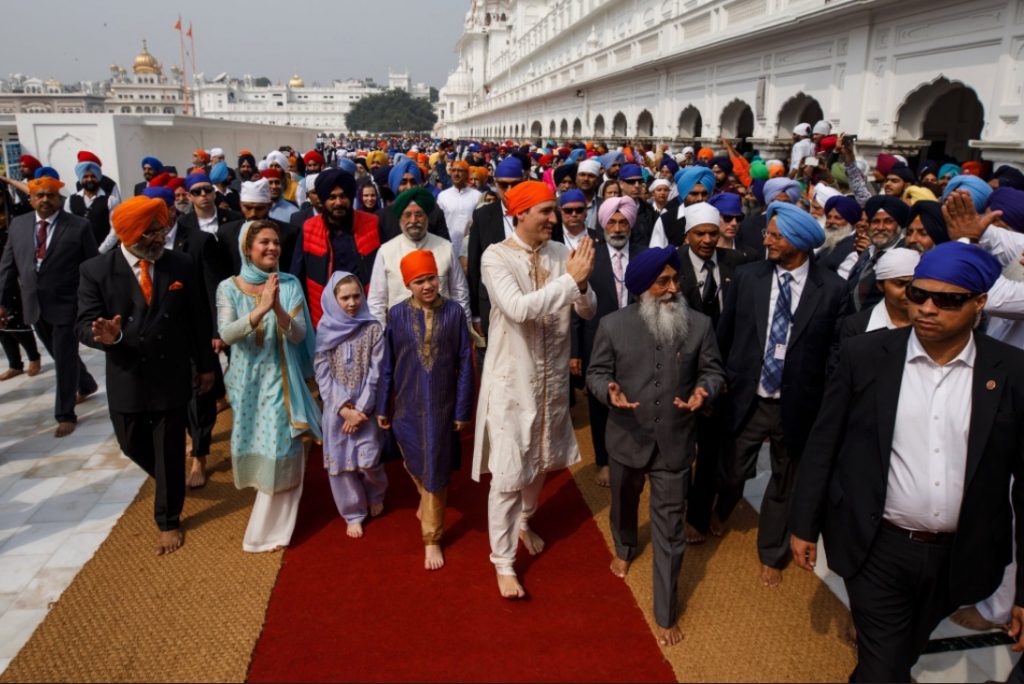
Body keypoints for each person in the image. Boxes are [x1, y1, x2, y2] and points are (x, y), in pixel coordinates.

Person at [790, 241, 1024, 682]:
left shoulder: (1012, 372)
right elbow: (825, 441)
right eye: (919, 295)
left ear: (979, 303)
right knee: (885, 667)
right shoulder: (867, 355)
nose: (928, 308)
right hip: (876, 544)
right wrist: (804, 523)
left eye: (947, 300)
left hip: (964, 556)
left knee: (903, 652)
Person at [586, 245, 724, 646]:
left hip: (676, 441)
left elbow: (714, 370)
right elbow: (596, 371)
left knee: (669, 530)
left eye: (675, 280)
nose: (672, 288)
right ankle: (625, 546)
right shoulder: (613, 325)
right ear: (643, 286)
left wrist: (704, 390)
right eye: (663, 282)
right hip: (628, 436)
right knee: (624, 503)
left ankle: (665, 611)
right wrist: (606, 390)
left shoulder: (699, 324)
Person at [472, 180, 596, 599]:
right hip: (512, 380)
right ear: (519, 214)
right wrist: (569, 282)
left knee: (541, 458)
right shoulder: (496, 256)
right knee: (508, 471)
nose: (553, 217)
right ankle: (503, 562)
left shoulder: (562, 253)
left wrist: (580, 282)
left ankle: (525, 520)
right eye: (545, 210)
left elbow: (588, 307)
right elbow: (518, 310)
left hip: (552, 379)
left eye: (554, 210)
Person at [716, 202, 848, 587]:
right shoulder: (748, 276)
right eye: (768, 234)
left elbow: (836, 353)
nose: (767, 241)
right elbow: (726, 332)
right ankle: (720, 508)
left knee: (785, 483)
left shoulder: (833, 289)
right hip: (747, 395)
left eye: (776, 236)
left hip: (798, 405)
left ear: (800, 243)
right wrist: (717, 378)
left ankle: (771, 553)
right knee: (733, 467)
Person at [77, 195, 216, 555]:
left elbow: (199, 318)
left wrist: (205, 366)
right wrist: (103, 335)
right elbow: (82, 323)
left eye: (161, 229)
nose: (159, 238)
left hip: (171, 372)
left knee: (170, 446)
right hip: (126, 373)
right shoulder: (96, 271)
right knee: (130, 443)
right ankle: (171, 482)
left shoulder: (180, 265)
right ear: (128, 234)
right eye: (151, 233)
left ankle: (168, 520)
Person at [217, 219, 322, 552]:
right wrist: (260, 309)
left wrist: (276, 308)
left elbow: (299, 334)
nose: (272, 248)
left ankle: (267, 533)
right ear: (247, 248)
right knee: (259, 446)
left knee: (282, 446)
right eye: (264, 242)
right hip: (247, 383)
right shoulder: (228, 287)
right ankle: (269, 523)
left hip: (281, 378)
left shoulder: (287, 283)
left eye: (276, 242)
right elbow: (227, 334)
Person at [377, 250, 473, 571]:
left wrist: (462, 410)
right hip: (407, 405)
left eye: (431, 278)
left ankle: (431, 536)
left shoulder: (455, 313)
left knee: (435, 466)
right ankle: (426, 498)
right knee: (414, 458)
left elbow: (464, 363)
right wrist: (383, 404)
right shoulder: (396, 315)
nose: (428, 286)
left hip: (442, 408)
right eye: (419, 281)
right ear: (408, 285)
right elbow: (387, 363)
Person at [0, 174, 99, 437]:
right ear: (30, 198)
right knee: (59, 353)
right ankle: (86, 383)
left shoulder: (78, 226)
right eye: (39, 195)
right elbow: (8, 267)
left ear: (59, 198)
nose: (45, 199)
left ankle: (65, 414)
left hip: (69, 304)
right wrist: (1, 302)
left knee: (64, 357)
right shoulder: (18, 225)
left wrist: (95, 302)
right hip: (33, 304)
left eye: (50, 195)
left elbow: (93, 266)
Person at [675, 201, 746, 542]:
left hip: (723, 377)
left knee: (713, 451)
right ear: (686, 234)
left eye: (712, 234)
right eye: (700, 233)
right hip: (681, 375)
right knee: (679, 449)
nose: (707, 240)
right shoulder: (671, 265)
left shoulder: (739, 264)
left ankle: (699, 516)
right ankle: (674, 508)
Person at [570, 196, 643, 488]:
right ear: (602, 224)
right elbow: (575, 306)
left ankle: (638, 454)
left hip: (638, 340)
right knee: (601, 404)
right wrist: (575, 352)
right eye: (611, 222)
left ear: (630, 223)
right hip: (597, 341)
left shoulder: (644, 254)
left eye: (622, 221)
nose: (616, 227)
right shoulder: (590, 257)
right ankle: (603, 460)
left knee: (637, 397)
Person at [314, 270, 387, 539]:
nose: (352, 302)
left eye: (357, 296)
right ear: (334, 300)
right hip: (337, 410)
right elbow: (322, 372)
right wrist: (343, 408)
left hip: (365, 410)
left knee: (368, 459)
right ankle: (353, 511)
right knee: (342, 465)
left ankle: (376, 491)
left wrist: (360, 410)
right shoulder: (325, 328)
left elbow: (376, 372)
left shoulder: (373, 328)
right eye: (345, 298)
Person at [367, 187, 470, 326]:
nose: (414, 220)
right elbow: (376, 302)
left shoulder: (445, 247)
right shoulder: (386, 251)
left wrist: (465, 326)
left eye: (419, 214)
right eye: (407, 215)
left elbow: (460, 293)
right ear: (400, 218)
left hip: (443, 331)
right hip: (400, 335)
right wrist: (382, 337)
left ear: (427, 217)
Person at [290, 169, 381, 326]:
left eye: (343, 196)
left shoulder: (372, 224)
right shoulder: (309, 229)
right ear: (323, 199)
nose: (338, 202)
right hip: (324, 320)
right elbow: (297, 277)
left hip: (365, 317)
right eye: (332, 197)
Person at [0, 193, 41, 380]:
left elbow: (31, 194)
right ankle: (15, 364)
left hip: (12, 274)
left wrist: (7, 179)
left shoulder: (16, 212)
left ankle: (33, 356)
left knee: (14, 317)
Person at [436, 160, 481, 260]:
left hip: (470, 247)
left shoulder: (477, 196)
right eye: (454, 170)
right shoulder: (443, 196)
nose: (456, 174)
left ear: (467, 174)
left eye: (460, 171)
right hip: (448, 245)